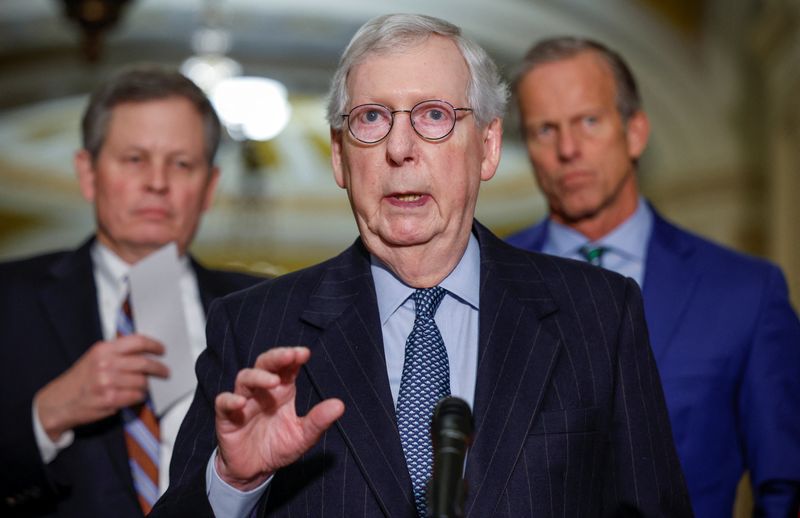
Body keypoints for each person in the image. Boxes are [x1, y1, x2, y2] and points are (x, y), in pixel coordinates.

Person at [153, 14, 692, 517]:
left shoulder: (599, 315)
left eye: (434, 115)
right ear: (340, 157)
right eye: (372, 118)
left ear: (487, 145)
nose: (400, 148)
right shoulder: (253, 329)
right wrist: (234, 482)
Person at [506, 36, 800, 517]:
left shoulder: (745, 294)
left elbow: (785, 486)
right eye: (544, 130)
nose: (568, 149)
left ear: (636, 131)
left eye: (588, 121)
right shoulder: (480, 276)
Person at [0, 66, 261, 517]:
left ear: (209, 187)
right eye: (135, 159)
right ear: (88, 172)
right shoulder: (9, 298)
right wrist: (47, 415)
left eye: (181, 163)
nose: (157, 182)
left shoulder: (266, 309)